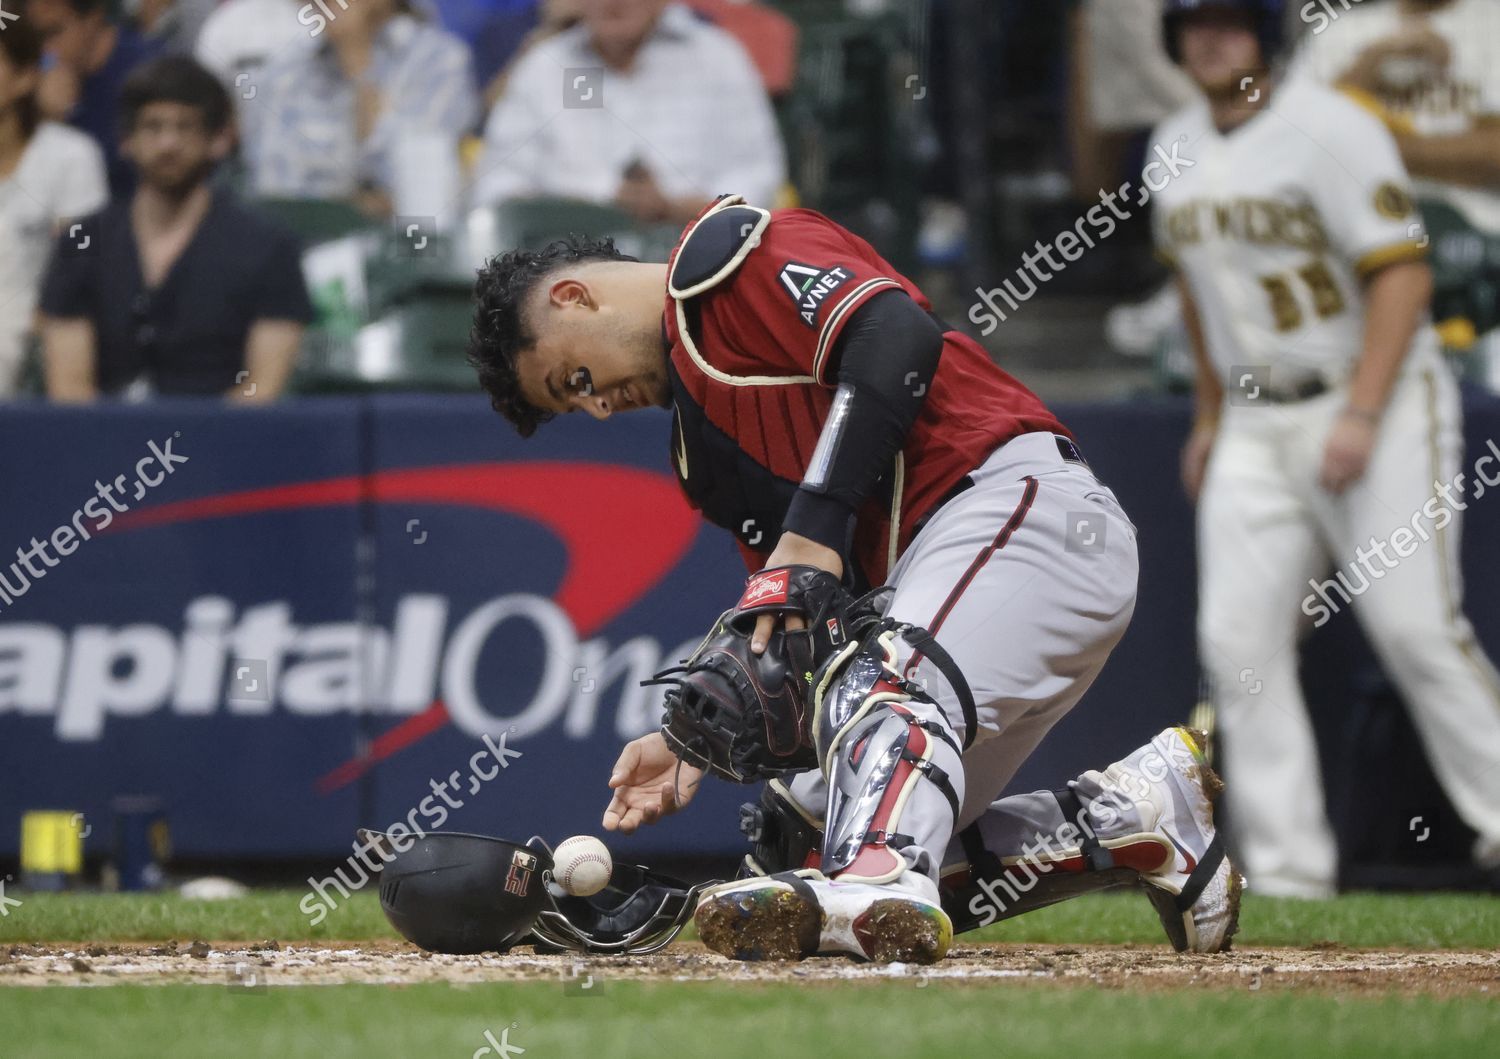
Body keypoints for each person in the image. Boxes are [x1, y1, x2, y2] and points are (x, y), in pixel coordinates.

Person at [465, 196, 1242, 963]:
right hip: (951, 583)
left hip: (1022, 513)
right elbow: (798, 629)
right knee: (804, 838)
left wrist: (816, 525)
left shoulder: (726, 259)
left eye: (573, 377)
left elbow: (895, 333)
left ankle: (882, 879)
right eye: (576, 403)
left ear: (574, 297)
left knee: (880, 700)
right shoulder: (699, 454)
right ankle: (1134, 816)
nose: (597, 406)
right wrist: (689, 743)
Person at [1156, 0, 1500, 897]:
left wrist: (1361, 412)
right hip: (1253, 417)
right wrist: (1206, 416)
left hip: (1369, 395)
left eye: (1228, 22)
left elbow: (1404, 272)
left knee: (1417, 629)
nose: (1210, 37)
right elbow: (1200, 296)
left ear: (1265, 33)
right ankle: (1286, 872)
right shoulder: (1172, 146)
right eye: (1193, 23)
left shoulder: (1333, 124)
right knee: (1236, 643)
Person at [39, 56, 313, 400]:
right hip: (102, 441)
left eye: (186, 127)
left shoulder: (269, 247)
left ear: (218, 140)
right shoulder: (80, 245)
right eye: (153, 127)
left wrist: (185, 447)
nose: (169, 144)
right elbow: (69, 389)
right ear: (126, 140)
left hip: (226, 442)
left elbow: (262, 388)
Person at [1287, 0, 1500, 371]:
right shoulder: (1339, 32)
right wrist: (1366, 67)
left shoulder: (1490, 21)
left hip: (1481, 257)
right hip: (1354, 254)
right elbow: (1288, 148)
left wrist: (1368, 146)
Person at [472, 0, 784, 226]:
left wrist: (680, 209)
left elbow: (759, 177)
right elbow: (496, 186)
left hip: (692, 263)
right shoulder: (543, 66)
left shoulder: (717, 57)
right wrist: (576, 211)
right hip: (564, 270)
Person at [245, 0, 478, 217]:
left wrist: (359, 64)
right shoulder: (282, 76)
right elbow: (275, 197)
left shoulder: (439, 60)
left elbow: (418, 192)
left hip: (404, 247)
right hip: (301, 244)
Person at [0, 14, 108, 398]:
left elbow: (83, 257)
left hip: (36, 326)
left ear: (25, 76)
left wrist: (46, 321)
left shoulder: (70, 155)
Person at [27, 0, 163, 196]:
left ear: (93, 20)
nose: (44, 50)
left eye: (53, 32)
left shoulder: (153, 71)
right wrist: (45, 119)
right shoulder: (30, 79)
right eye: (34, 37)